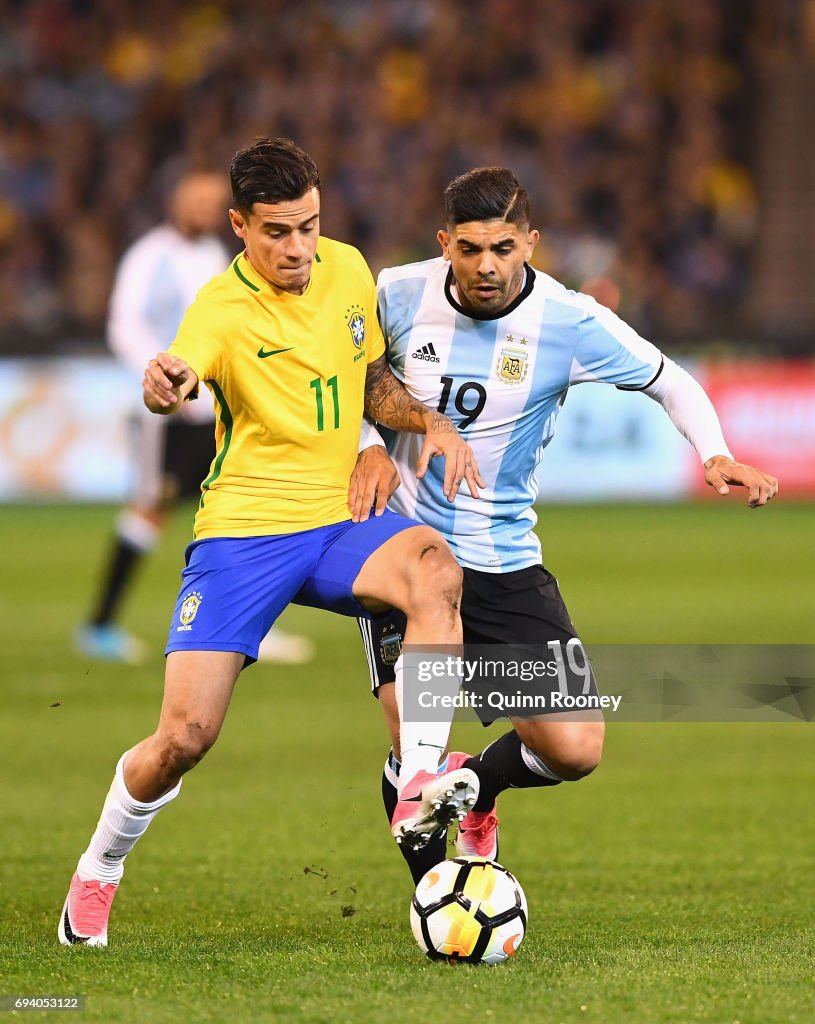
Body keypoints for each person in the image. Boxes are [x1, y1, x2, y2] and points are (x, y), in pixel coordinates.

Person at [58, 138, 487, 947]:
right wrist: (166, 384)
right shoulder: (220, 309)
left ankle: (419, 780)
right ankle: (99, 867)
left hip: (339, 519)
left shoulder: (349, 269)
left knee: (434, 570)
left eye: (309, 227)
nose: (298, 249)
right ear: (239, 227)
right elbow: (178, 373)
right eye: (277, 233)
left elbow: (368, 378)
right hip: (244, 534)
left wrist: (402, 426)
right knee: (184, 738)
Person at [355, 166, 779, 883]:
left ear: (530, 243)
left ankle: (480, 788)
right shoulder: (396, 292)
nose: (485, 266)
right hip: (406, 549)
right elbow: (349, 381)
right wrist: (370, 450)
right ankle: (437, 898)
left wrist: (714, 454)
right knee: (413, 743)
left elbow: (668, 379)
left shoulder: (568, 319)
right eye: (468, 248)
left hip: (503, 556)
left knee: (574, 748)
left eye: (502, 248)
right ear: (443, 243)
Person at [75, 169, 313, 666]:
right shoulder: (149, 255)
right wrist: (166, 374)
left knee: (243, 506)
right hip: (166, 415)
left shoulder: (215, 256)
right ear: (176, 201)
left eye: (211, 201)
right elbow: (124, 323)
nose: (202, 209)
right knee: (149, 508)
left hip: (216, 410)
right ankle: (100, 625)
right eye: (195, 200)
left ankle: (249, 625)